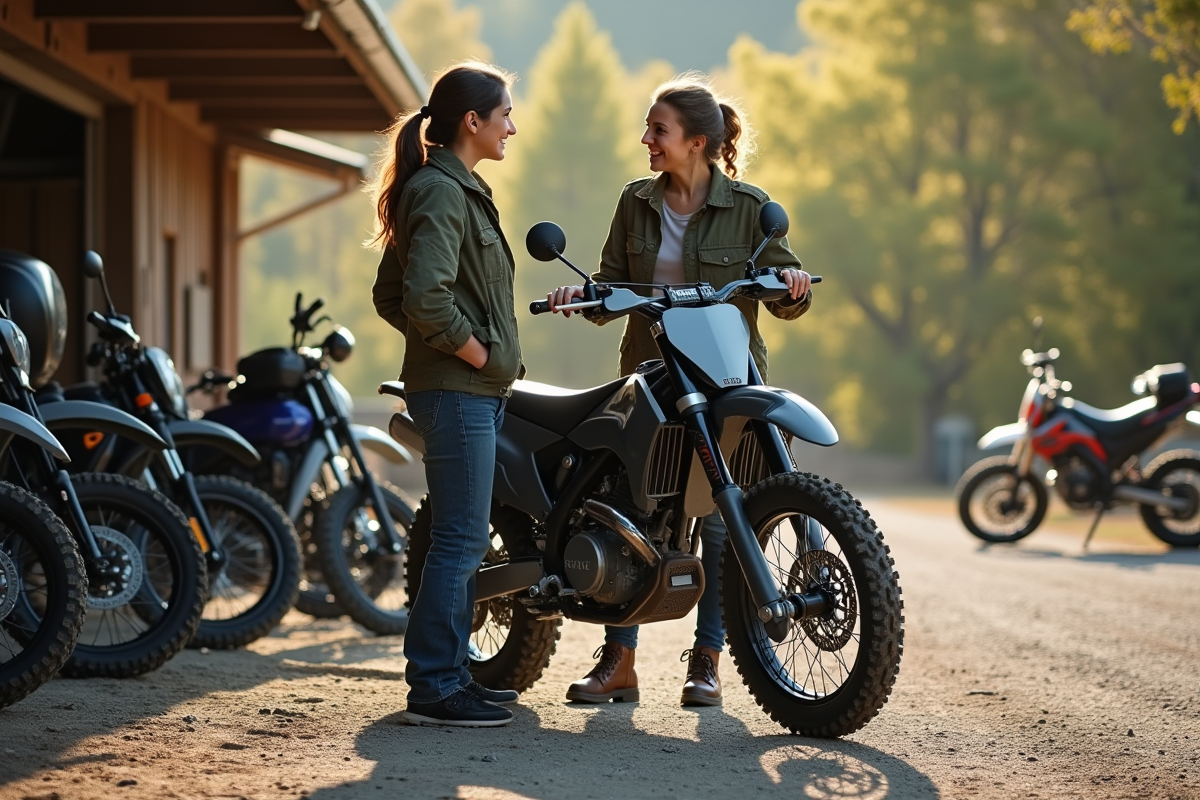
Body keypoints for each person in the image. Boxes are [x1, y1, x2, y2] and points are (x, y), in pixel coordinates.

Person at [547, 73, 812, 707]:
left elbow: (781, 289)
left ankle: (708, 662)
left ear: (697, 142)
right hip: (653, 378)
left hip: (726, 378)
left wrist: (792, 280)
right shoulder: (635, 201)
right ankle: (620, 662)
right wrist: (578, 296)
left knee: (722, 519)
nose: (646, 140)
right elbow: (608, 286)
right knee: (638, 512)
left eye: (657, 130)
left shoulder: (750, 206)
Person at [371, 62, 523, 727]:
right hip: (459, 391)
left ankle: (452, 675)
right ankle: (434, 687)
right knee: (460, 540)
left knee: (462, 537)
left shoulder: (451, 188)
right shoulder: (439, 191)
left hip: (467, 391)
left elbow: (389, 292)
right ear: (473, 121)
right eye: (505, 115)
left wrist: (462, 351)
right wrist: (474, 351)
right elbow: (421, 298)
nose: (512, 127)